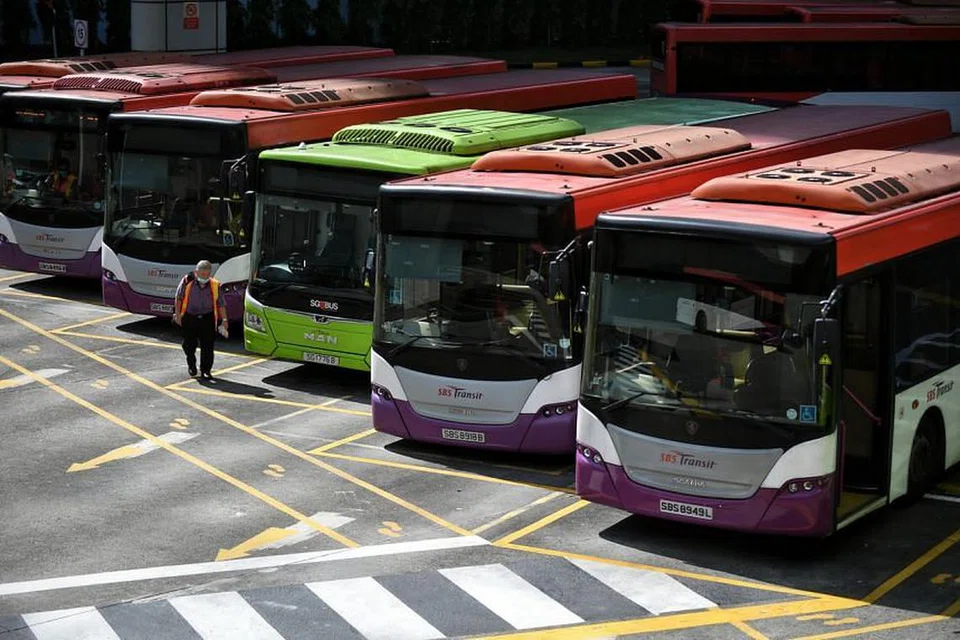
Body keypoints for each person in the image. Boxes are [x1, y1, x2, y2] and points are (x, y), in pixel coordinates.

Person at [172, 260, 228, 378]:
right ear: (196, 272)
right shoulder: (187, 281)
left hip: (207, 318)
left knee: (208, 346)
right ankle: (191, 364)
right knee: (189, 345)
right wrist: (177, 315)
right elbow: (179, 298)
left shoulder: (215, 285)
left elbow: (221, 304)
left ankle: (206, 371)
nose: (205, 277)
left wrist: (224, 320)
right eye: (202, 274)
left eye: (207, 275)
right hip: (190, 317)